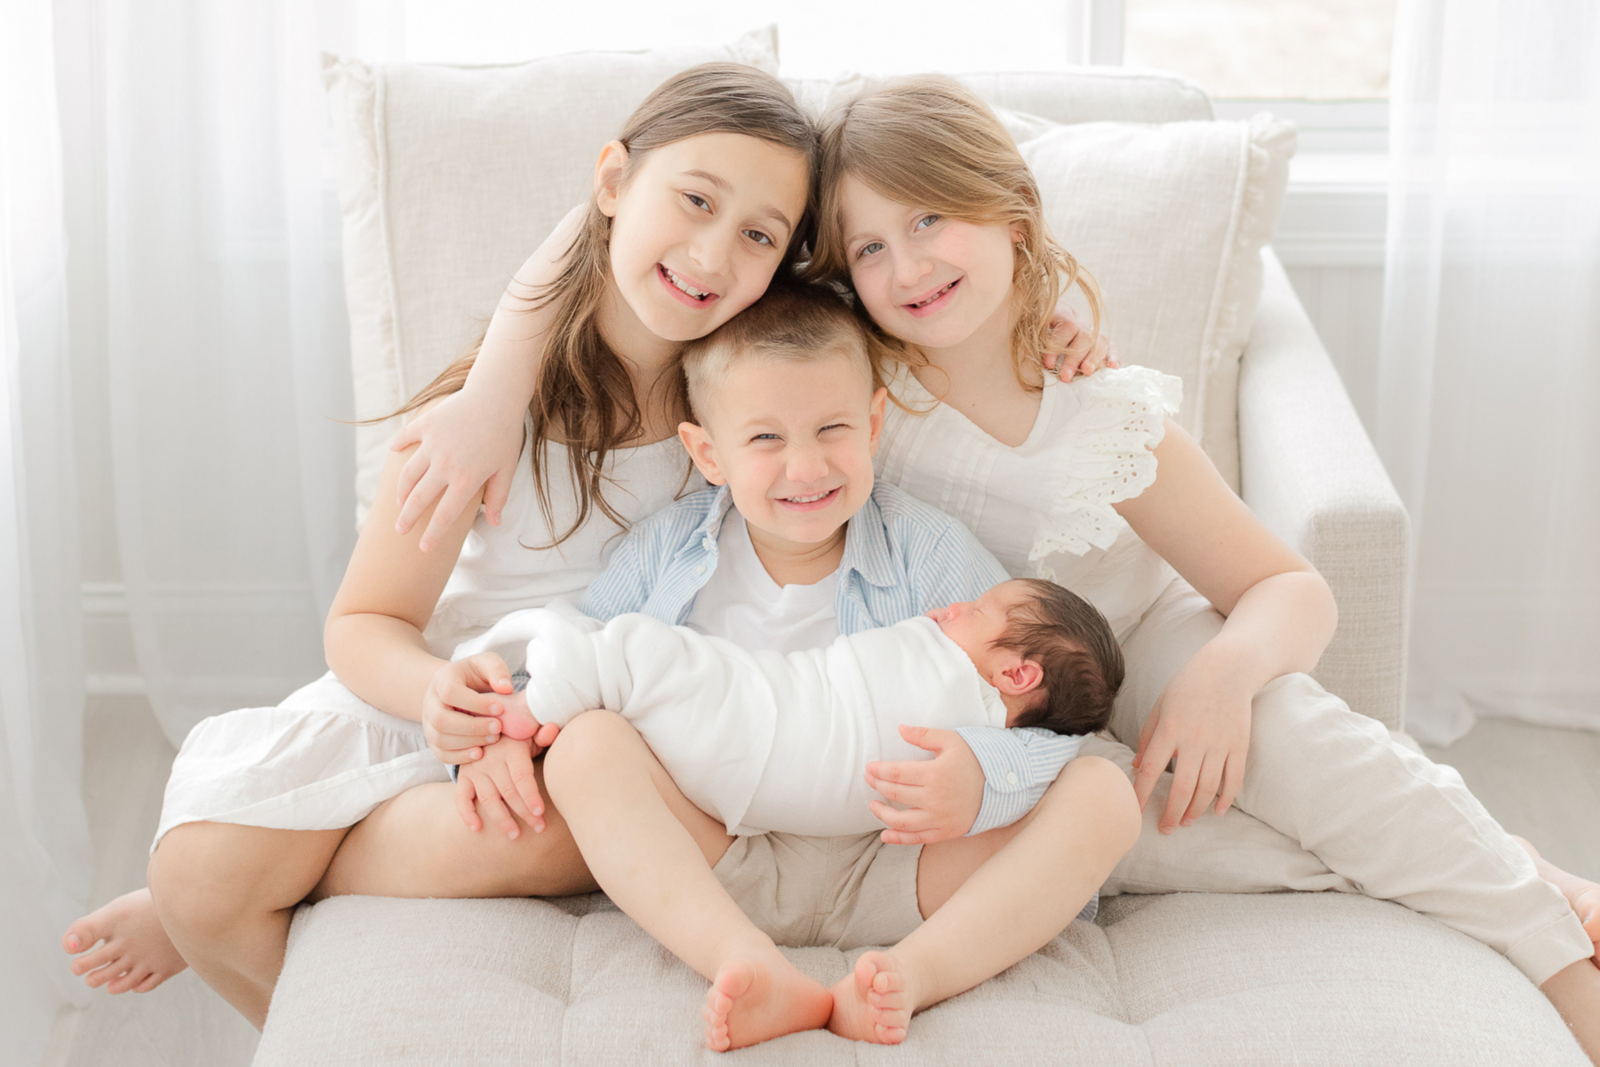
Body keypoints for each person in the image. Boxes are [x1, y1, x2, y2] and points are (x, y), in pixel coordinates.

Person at [378, 73, 1600, 1059]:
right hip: (973, 700)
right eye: (866, 248)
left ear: (1011, 211)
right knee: (1179, 825)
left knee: (1293, 753)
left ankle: (1541, 932)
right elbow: (630, 212)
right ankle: (1495, 859)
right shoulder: (863, 377)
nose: (904, 269)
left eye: (931, 223)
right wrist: (495, 386)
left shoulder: (1096, 401)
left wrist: (1224, 672)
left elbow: (1289, 588)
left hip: (1124, 656)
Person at [60, 63, 822, 1027]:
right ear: (613, 181)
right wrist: (439, 700)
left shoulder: (752, 404)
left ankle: (251, 887)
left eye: (758, 235)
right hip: (439, 698)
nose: (714, 255)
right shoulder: (484, 416)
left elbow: (903, 291)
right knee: (199, 868)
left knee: (544, 829)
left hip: (583, 736)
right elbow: (364, 621)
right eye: (695, 201)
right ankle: (207, 897)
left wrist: (1047, 318)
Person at [509, 281, 1137, 1048]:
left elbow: (1051, 702)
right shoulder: (667, 553)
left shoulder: (928, 554)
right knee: (586, 744)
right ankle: (742, 959)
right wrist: (502, 733)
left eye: (832, 428)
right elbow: (569, 658)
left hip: (898, 860)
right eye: (765, 439)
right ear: (709, 452)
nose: (805, 467)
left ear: (874, 422)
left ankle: (915, 972)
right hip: (718, 853)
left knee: (1104, 792)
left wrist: (983, 771)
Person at [455, 576, 1121, 839]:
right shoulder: (977, 711)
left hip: (766, 740)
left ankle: (540, 696)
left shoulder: (971, 708)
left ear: (1018, 672)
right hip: (769, 743)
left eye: (974, 610)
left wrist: (985, 777)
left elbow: (1070, 750)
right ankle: (554, 679)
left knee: (651, 657)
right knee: (673, 669)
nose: (949, 607)